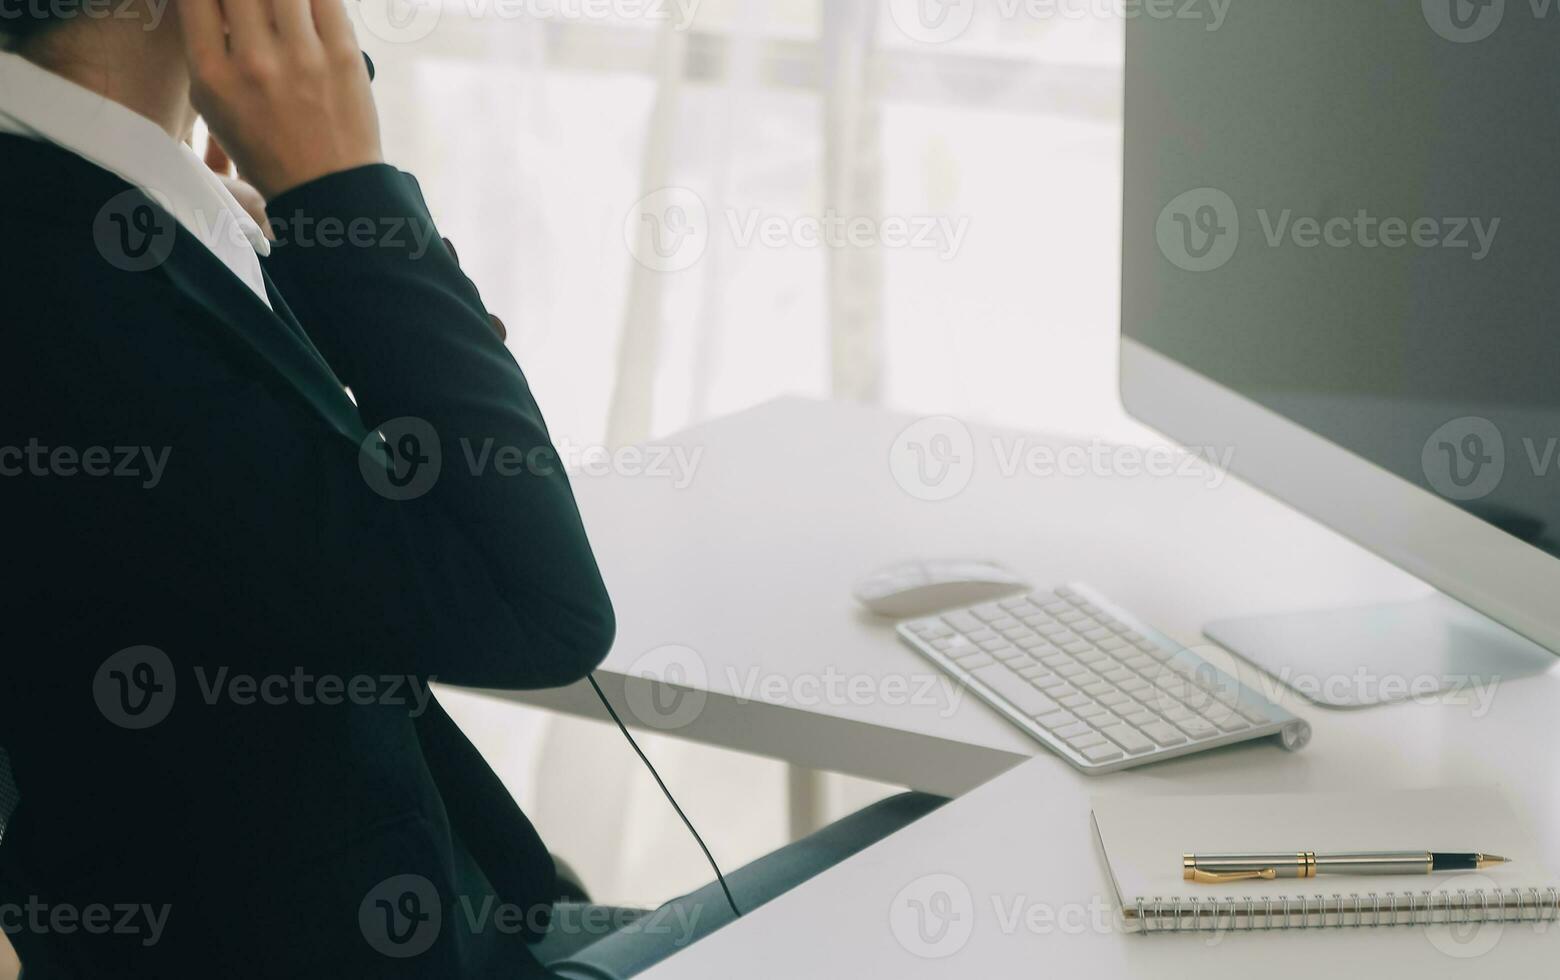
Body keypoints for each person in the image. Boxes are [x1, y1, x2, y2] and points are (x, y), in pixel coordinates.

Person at [0, 2, 940, 975]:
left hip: (458, 908)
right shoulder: (86, 280)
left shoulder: (103, 209)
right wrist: (344, 191)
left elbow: (305, 548)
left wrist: (290, 246)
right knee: (943, 842)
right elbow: (540, 611)